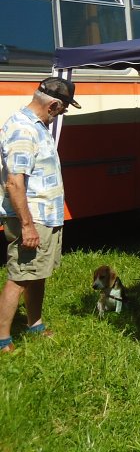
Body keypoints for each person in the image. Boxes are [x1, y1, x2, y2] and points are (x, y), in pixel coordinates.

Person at [0, 77, 79, 354]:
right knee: (20, 275)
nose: (62, 114)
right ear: (54, 104)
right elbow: (14, 182)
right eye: (63, 109)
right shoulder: (23, 129)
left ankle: (35, 324)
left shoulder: (38, 126)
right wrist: (27, 226)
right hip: (32, 219)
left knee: (37, 273)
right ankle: (3, 339)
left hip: (45, 217)